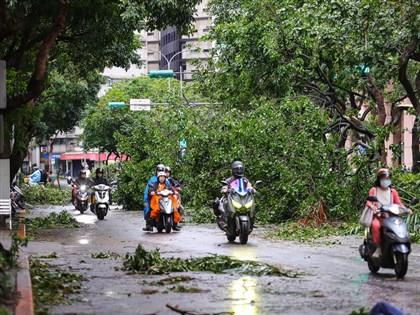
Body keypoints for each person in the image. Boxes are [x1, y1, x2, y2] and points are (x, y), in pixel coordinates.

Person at [366, 168, 410, 258]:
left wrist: (406, 209)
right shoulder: (374, 190)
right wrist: (373, 207)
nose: (385, 180)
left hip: (391, 216)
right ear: (379, 179)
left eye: (387, 178)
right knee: (375, 225)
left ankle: (404, 242)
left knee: (401, 225)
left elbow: (398, 203)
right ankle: (378, 247)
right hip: (379, 216)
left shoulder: (392, 191)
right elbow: (369, 202)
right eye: (383, 178)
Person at [213, 161, 255, 229]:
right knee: (223, 202)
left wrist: (252, 189)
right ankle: (224, 220)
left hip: (241, 197)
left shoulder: (245, 180)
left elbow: (249, 185)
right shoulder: (229, 180)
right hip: (231, 197)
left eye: (240, 169)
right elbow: (225, 185)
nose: (239, 171)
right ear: (233, 170)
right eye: (237, 169)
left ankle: (252, 221)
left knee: (252, 204)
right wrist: (225, 189)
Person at [143, 164, 171, 231]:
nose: (160, 173)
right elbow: (147, 190)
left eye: (161, 171)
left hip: (163, 198)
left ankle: (175, 223)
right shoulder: (152, 180)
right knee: (149, 208)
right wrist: (145, 200)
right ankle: (149, 225)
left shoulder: (166, 180)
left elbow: (170, 188)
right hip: (154, 198)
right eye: (158, 171)